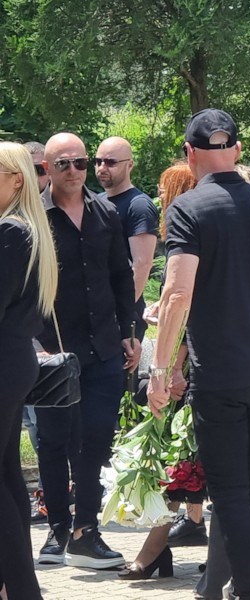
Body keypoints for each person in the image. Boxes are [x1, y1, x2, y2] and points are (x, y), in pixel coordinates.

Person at [148, 108, 250, 599]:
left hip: (220, 371)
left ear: (189, 154)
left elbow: (177, 293)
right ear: (237, 150)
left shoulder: (188, 208)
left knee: (230, 488)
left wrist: (159, 369)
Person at [35, 132, 139, 570]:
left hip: (103, 347)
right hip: (54, 352)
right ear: (47, 169)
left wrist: (129, 331)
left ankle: (86, 530)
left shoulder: (105, 212)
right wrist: (33, 344)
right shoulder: (32, 218)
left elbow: (121, 276)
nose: (75, 171)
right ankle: (58, 529)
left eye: (81, 162)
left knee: (95, 440)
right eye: (64, 164)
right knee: (54, 441)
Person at [117, 163, 204, 582]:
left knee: (179, 461)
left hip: (187, 366)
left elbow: (188, 307)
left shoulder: (189, 237)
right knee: (183, 462)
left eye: (164, 191)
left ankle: (155, 551)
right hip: (190, 360)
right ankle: (164, 547)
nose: (160, 199)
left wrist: (173, 367)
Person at [0, 141, 57, 600]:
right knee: (8, 474)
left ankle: (18, 586)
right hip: (14, 359)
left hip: (4, 360)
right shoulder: (28, 230)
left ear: (16, 180)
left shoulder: (9, 232)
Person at [95, 136, 159, 339]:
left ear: (130, 165)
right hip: (99, 311)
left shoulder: (139, 205)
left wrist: (121, 312)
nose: (102, 168)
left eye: (110, 162)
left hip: (122, 317)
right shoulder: (97, 201)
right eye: (98, 161)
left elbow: (142, 264)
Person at [21, 141, 49, 523]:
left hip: (42, 341)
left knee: (43, 425)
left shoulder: (48, 214)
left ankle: (49, 494)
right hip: (21, 341)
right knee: (29, 425)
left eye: (40, 170)